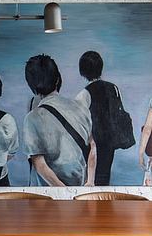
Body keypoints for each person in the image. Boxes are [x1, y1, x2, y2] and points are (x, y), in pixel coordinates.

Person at [22, 54, 96, 187]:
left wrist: (62, 191)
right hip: (79, 189)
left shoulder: (32, 118)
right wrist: (90, 181)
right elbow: (92, 147)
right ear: (57, 79)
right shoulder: (81, 108)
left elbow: (39, 164)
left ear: (32, 85)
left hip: (47, 197)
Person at [75, 50, 134, 186]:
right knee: (104, 175)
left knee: (90, 180)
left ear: (83, 70)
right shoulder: (114, 88)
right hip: (109, 141)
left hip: (92, 143)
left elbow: (80, 123)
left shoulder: (84, 94)